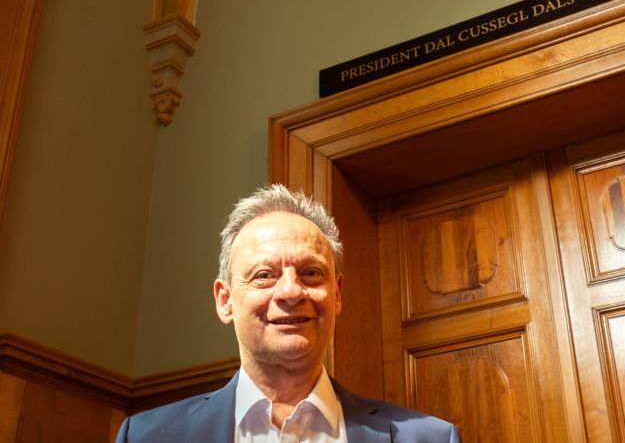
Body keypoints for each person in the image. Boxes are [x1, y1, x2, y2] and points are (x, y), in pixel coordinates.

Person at [116, 184, 461, 442]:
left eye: (311, 273)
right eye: (264, 275)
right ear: (225, 301)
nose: (291, 291)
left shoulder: (430, 439)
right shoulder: (146, 437)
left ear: (336, 294)